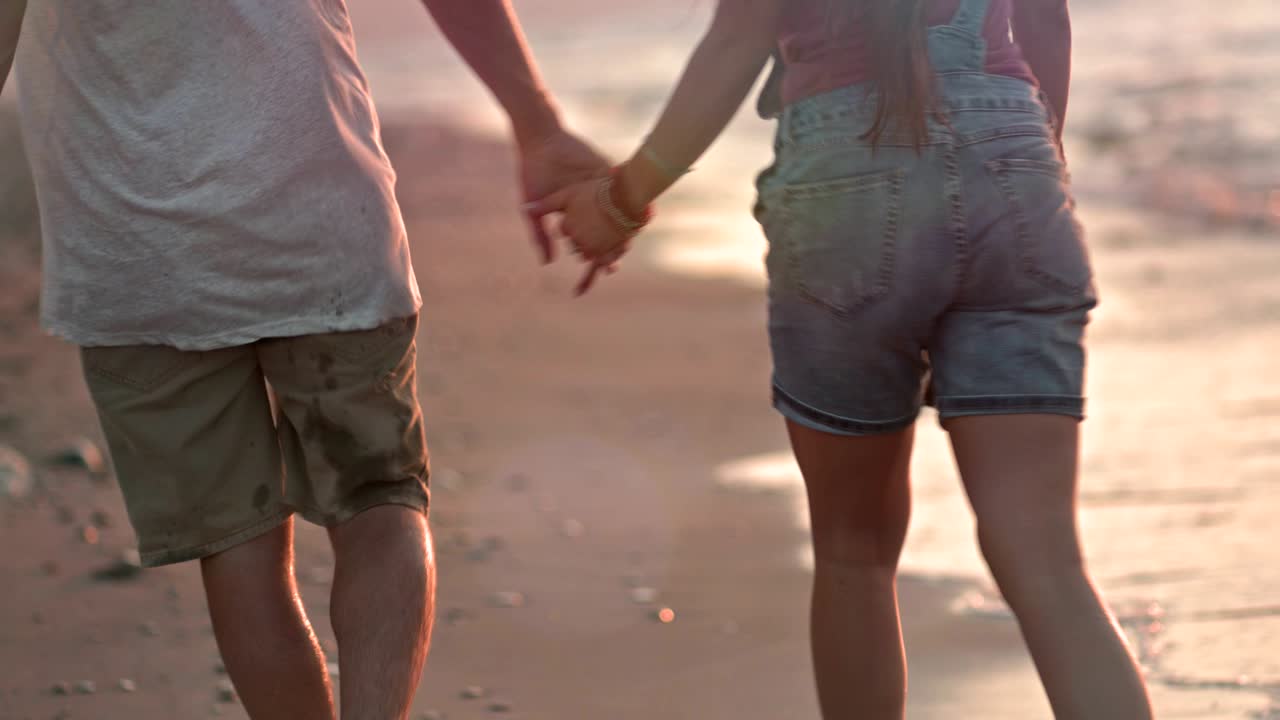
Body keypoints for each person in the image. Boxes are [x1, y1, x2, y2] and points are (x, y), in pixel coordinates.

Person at [531, 0, 1156, 717]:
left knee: (854, 552)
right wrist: (1026, 161)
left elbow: (738, 41)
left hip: (845, 177)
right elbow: (1044, 17)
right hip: (1013, 155)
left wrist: (622, 199)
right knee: (1049, 562)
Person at [0, 1, 607, 718]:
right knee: (379, 498)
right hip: (319, 212)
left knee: (238, 548)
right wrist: (534, 119)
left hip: (141, 244)